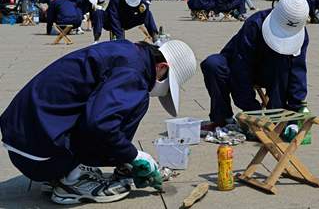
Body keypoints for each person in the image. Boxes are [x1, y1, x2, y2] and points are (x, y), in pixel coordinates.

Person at [0, 39, 196, 204]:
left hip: (23, 141)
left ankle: (67, 170)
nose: (163, 90)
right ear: (162, 67)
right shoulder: (134, 73)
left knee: (119, 106)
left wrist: (124, 158)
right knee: (139, 100)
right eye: (167, 85)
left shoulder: (128, 51)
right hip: (41, 156)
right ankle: (71, 182)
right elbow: (100, 125)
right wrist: (134, 155)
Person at [201, 0, 310, 127]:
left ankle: (277, 117)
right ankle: (222, 118)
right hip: (238, 64)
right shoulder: (255, 23)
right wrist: (252, 109)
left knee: (282, 65)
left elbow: (298, 71)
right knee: (212, 64)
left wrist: (295, 109)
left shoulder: (300, 34)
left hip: (268, 71)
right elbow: (240, 67)